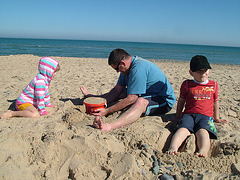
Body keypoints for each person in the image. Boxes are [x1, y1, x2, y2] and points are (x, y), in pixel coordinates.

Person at [81, 48, 176, 132]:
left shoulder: (138, 68)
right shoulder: (126, 69)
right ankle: (95, 98)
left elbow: (132, 99)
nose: (117, 71)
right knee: (122, 92)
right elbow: (117, 90)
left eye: (117, 69)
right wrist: (103, 104)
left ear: (122, 63)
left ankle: (110, 126)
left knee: (139, 102)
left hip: (164, 101)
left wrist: (107, 111)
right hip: (147, 92)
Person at [166, 55, 228, 157]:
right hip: (189, 114)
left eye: (205, 70)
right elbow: (181, 101)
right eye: (199, 71)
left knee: (203, 131)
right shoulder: (186, 84)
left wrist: (216, 118)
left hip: (205, 116)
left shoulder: (214, 85)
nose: (203, 74)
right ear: (191, 73)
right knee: (183, 129)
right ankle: (173, 146)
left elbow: (215, 102)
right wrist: (177, 116)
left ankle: (203, 150)